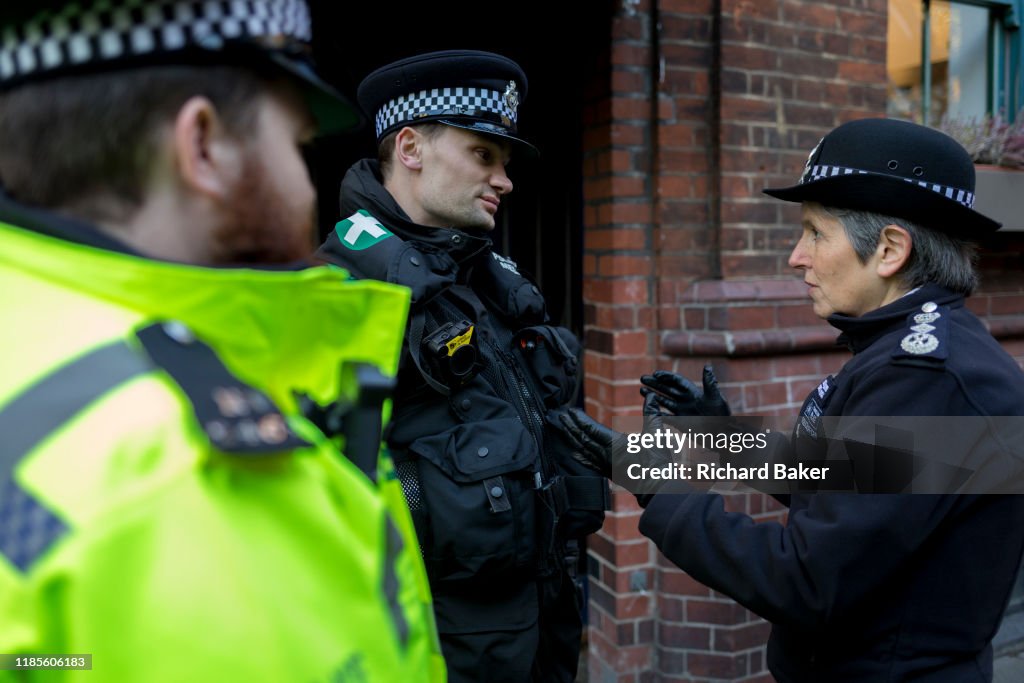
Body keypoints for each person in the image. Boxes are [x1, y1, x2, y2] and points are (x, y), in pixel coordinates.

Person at [0, 2, 443, 681]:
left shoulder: (31, 335)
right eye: (296, 147)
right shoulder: (187, 477)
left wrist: (661, 459)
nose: (307, 183)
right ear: (202, 146)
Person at [562, 118, 1024, 682]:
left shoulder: (928, 378)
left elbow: (806, 579)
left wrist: (662, 488)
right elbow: (849, 484)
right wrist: (718, 435)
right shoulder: (917, 355)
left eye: (815, 233)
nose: (795, 257)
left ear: (888, 249)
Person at [313, 50, 608, 683]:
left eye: (504, 163)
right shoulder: (341, 295)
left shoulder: (483, 277)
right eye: (484, 155)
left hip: (543, 631)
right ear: (412, 148)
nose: (505, 180)